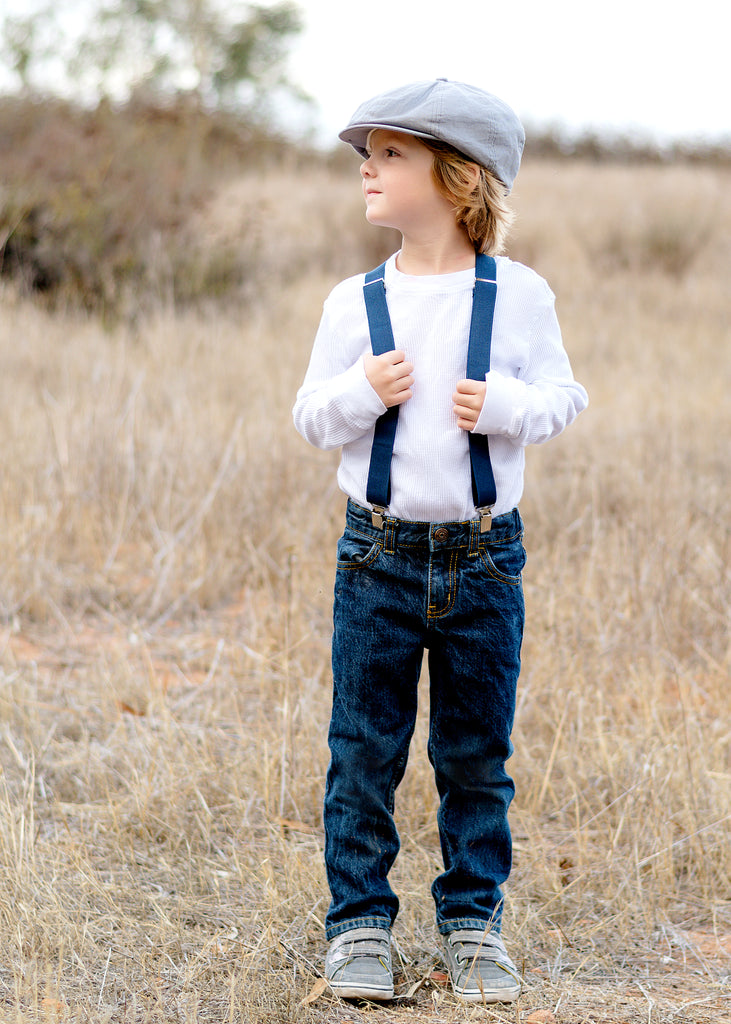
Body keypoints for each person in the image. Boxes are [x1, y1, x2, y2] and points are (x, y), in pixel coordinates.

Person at [292, 79, 588, 1005]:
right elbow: (310, 417)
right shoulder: (355, 302)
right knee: (363, 749)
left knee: (473, 753)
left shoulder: (517, 295)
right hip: (375, 556)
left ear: (458, 178)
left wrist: (506, 407)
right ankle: (358, 930)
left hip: (484, 558)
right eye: (366, 154)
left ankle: (471, 924)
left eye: (390, 155)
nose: (368, 169)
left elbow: (563, 398)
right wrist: (356, 396)